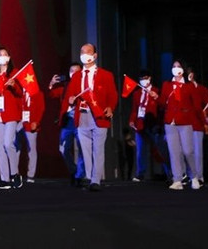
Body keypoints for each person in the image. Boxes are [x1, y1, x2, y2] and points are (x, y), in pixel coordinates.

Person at [61, 43, 118, 192]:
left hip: (99, 116)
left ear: (95, 55)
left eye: (88, 51)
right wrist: (71, 99)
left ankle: (96, 180)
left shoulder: (106, 75)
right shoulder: (77, 76)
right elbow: (69, 95)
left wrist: (110, 107)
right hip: (82, 116)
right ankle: (87, 176)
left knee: (98, 149)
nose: (85, 54)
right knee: (84, 149)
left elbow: (113, 95)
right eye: (82, 52)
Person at [158, 60, 202, 190]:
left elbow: (196, 105)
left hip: (185, 122)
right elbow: (162, 103)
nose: (176, 68)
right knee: (174, 152)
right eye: (174, 66)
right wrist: (156, 97)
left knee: (188, 151)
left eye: (178, 66)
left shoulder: (188, 86)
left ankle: (194, 176)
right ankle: (177, 179)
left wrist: (201, 122)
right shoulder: (166, 85)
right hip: (170, 123)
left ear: (183, 69)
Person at [0, 47, 24, 189]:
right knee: (0, 148)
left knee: (7, 143)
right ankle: (5, 178)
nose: (2, 57)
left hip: (10, 114)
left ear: (9, 58)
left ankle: (15, 173)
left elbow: (20, 92)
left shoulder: (14, 73)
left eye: (5, 55)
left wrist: (14, 85)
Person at [49, 62, 86, 186]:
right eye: (72, 71)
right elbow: (53, 94)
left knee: (83, 149)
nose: (74, 74)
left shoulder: (85, 86)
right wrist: (52, 84)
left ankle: (79, 176)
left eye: (77, 71)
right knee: (63, 148)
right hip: (67, 122)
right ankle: (73, 171)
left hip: (81, 121)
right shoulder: (65, 87)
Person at [128, 70, 163, 182]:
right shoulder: (137, 94)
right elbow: (135, 109)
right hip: (140, 124)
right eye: (141, 78)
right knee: (140, 150)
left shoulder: (156, 91)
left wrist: (156, 97)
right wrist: (132, 120)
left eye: (145, 78)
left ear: (150, 78)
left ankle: (167, 172)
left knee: (158, 149)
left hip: (152, 124)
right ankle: (140, 173)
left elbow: (161, 108)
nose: (144, 80)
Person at [16, 78, 44, 183]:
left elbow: (41, 108)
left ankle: (31, 175)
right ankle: (15, 173)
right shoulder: (19, 93)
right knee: (15, 148)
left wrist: (36, 122)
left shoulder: (37, 93)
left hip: (31, 124)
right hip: (19, 123)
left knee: (31, 149)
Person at [187, 68, 208, 185]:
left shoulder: (202, 89)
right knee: (186, 151)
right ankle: (188, 175)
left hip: (197, 124)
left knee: (197, 152)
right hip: (184, 124)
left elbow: (206, 106)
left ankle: (198, 176)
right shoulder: (183, 87)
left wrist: (205, 121)